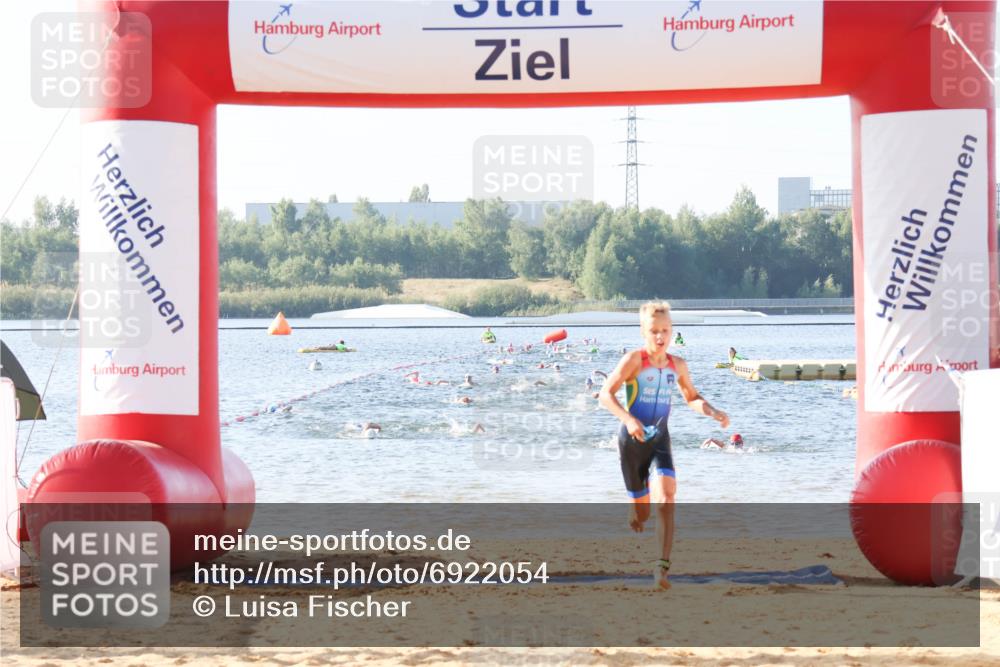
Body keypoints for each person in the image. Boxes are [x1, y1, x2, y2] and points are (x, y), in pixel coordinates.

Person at [599, 301, 730, 590]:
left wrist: (712, 411)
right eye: (654, 331)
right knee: (643, 514)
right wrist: (629, 419)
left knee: (667, 498)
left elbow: (692, 397)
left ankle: (661, 568)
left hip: (659, 440)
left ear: (672, 331)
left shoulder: (677, 365)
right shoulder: (634, 360)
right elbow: (605, 395)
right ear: (644, 331)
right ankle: (636, 509)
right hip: (631, 443)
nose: (660, 337)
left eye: (666, 331)